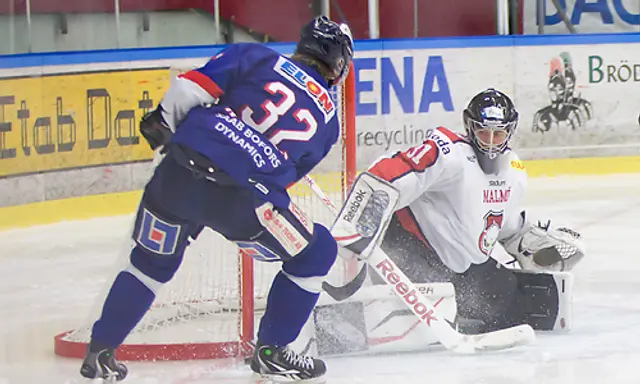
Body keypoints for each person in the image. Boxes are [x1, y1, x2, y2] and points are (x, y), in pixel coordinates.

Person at [79, 16, 354, 382]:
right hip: (240, 202)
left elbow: (187, 91)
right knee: (316, 253)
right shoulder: (328, 120)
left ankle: (101, 351)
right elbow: (284, 178)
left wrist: (166, 126)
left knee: (150, 263)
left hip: (176, 175)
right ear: (339, 64)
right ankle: (272, 351)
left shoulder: (256, 55)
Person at [367, 88, 585, 334]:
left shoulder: (513, 170)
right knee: (431, 318)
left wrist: (529, 240)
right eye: (483, 132)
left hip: (460, 264)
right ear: (470, 127)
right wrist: (368, 200)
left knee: (512, 305)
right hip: (411, 248)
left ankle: (457, 312)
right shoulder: (449, 152)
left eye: (498, 134)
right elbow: (397, 170)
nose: (491, 142)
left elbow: (503, 223)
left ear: (509, 132)